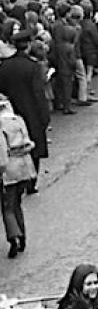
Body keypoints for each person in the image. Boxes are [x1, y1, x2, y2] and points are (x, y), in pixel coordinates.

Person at [0, 29, 50, 194]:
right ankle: (31, 182)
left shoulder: (4, 66)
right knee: (33, 146)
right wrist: (44, 116)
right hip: (31, 112)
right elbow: (38, 93)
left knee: (13, 146)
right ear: (28, 45)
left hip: (11, 112)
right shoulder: (32, 67)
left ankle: (15, 181)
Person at [0, 94, 38, 258]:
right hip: (23, 168)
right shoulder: (18, 120)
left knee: (7, 206)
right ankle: (23, 236)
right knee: (17, 203)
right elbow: (28, 142)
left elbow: (2, 154)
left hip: (9, 170)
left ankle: (13, 238)